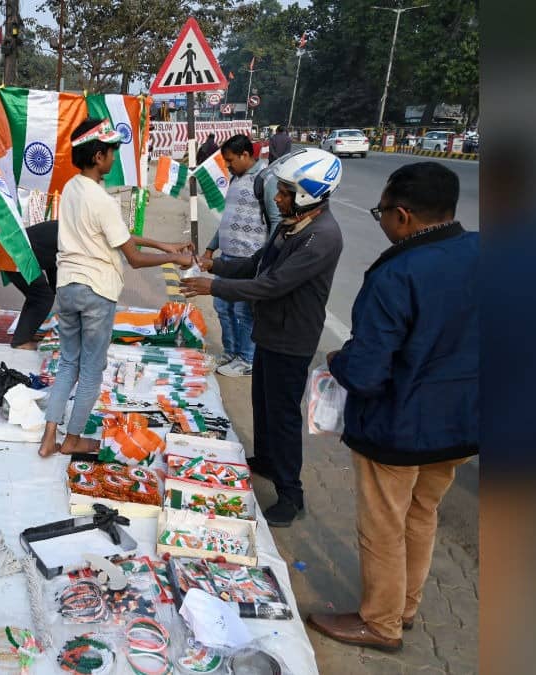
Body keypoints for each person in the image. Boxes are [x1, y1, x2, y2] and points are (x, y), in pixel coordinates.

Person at [307, 162, 478, 652]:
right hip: (463, 421)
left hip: (401, 427)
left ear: (403, 216)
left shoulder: (397, 272)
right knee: (421, 514)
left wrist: (340, 361)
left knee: (383, 525)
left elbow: (367, 371)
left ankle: (380, 622)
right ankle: (404, 607)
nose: (380, 220)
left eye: (381, 212)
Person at [181, 147, 344, 526]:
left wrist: (213, 286)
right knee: (263, 404)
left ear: (307, 193)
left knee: (284, 415)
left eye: (286, 192)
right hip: (270, 330)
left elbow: (270, 285)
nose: (278, 198)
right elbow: (256, 264)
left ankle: (291, 493)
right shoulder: (292, 225)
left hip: (293, 337)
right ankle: (267, 460)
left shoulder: (321, 236)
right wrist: (213, 263)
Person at [39, 118, 194, 457]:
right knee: (92, 368)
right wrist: (176, 261)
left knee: (68, 362)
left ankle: (49, 437)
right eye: (111, 153)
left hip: (67, 286)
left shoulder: (71, 189)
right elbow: (134, 259)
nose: (113, 159)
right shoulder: (101, 200)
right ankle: (72, 439)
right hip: (96, 292)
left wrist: (164, 245)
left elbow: (119, 238)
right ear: (98, 156)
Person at [201, 134, 267, 377]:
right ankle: (231, 351)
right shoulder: (236, 179)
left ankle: (246, 358)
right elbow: (228, 218)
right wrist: (211, 246)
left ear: (246, 155)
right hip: (227, 257)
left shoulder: (265, 180)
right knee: (222, 306)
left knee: (242, 311)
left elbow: (275, 221)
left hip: (248, 259)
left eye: (230, 161)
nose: (228, 166)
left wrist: (266, 259)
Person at [5, 219, 59, 350]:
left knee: (38, 296)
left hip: (12, 251)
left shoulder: (62, 227)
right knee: (42, 298)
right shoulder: (71, 235)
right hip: (18, 255)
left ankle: (25, 334)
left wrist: (54, 289)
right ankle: (21, 341)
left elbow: (54, 264)